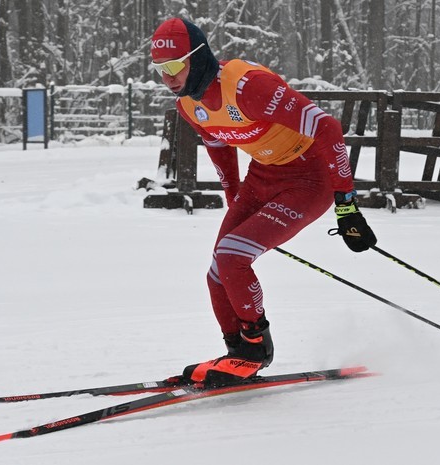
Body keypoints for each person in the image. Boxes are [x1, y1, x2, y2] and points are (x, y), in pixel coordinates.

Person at [151, 17, 377, 386]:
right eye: (160, 70)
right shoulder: (189, 105)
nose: (168, 77)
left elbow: (327, 128)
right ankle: (237, 353)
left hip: (310, 178)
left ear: (199, 56)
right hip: (264, 175)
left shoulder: (248, 87)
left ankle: (257, 348)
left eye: (175, 66)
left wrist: (347, 205)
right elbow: (218, 142)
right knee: (217, 272)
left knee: (232, 257)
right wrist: (233, 195)